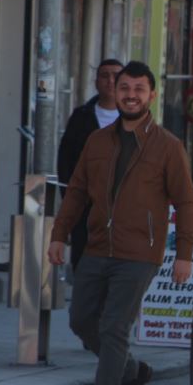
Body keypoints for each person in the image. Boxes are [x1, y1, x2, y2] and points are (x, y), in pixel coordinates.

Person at [48, 61, 193, 385]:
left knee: (114, 327)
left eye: (139, 89)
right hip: (97, 247)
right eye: (125, 88)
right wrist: (58, 234)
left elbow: (186, 202)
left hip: (139, 253)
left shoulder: (168, 146)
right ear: (115, 92)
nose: (131, 95)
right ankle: (134, 371)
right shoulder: (97, 142)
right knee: (82, 321)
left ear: (152, 95)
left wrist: (184, 255)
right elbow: (78, 192)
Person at [57, 59, 125, 269]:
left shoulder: (136, 118)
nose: (110, 81)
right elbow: (66, 160)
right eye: (104, 75)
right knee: (84, 258)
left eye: (116, 76)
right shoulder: (82, 116)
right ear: (96, 81)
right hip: (86, 205)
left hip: (124, 207)